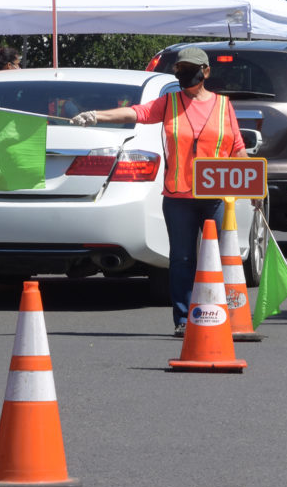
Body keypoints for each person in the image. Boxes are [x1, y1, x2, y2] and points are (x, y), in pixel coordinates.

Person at [69, 46, 247, 336]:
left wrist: (253, 182)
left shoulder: (224, 106)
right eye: (180, 68)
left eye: (190, 68)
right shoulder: (169, 103)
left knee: (219, 257)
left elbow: (237, 147)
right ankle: (184, 319)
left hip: (214, 196)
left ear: (206, 71)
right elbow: (135, 112)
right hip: (179, 198)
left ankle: (223, 313)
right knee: (182, 259)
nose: (184, 73)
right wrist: (95, 116)